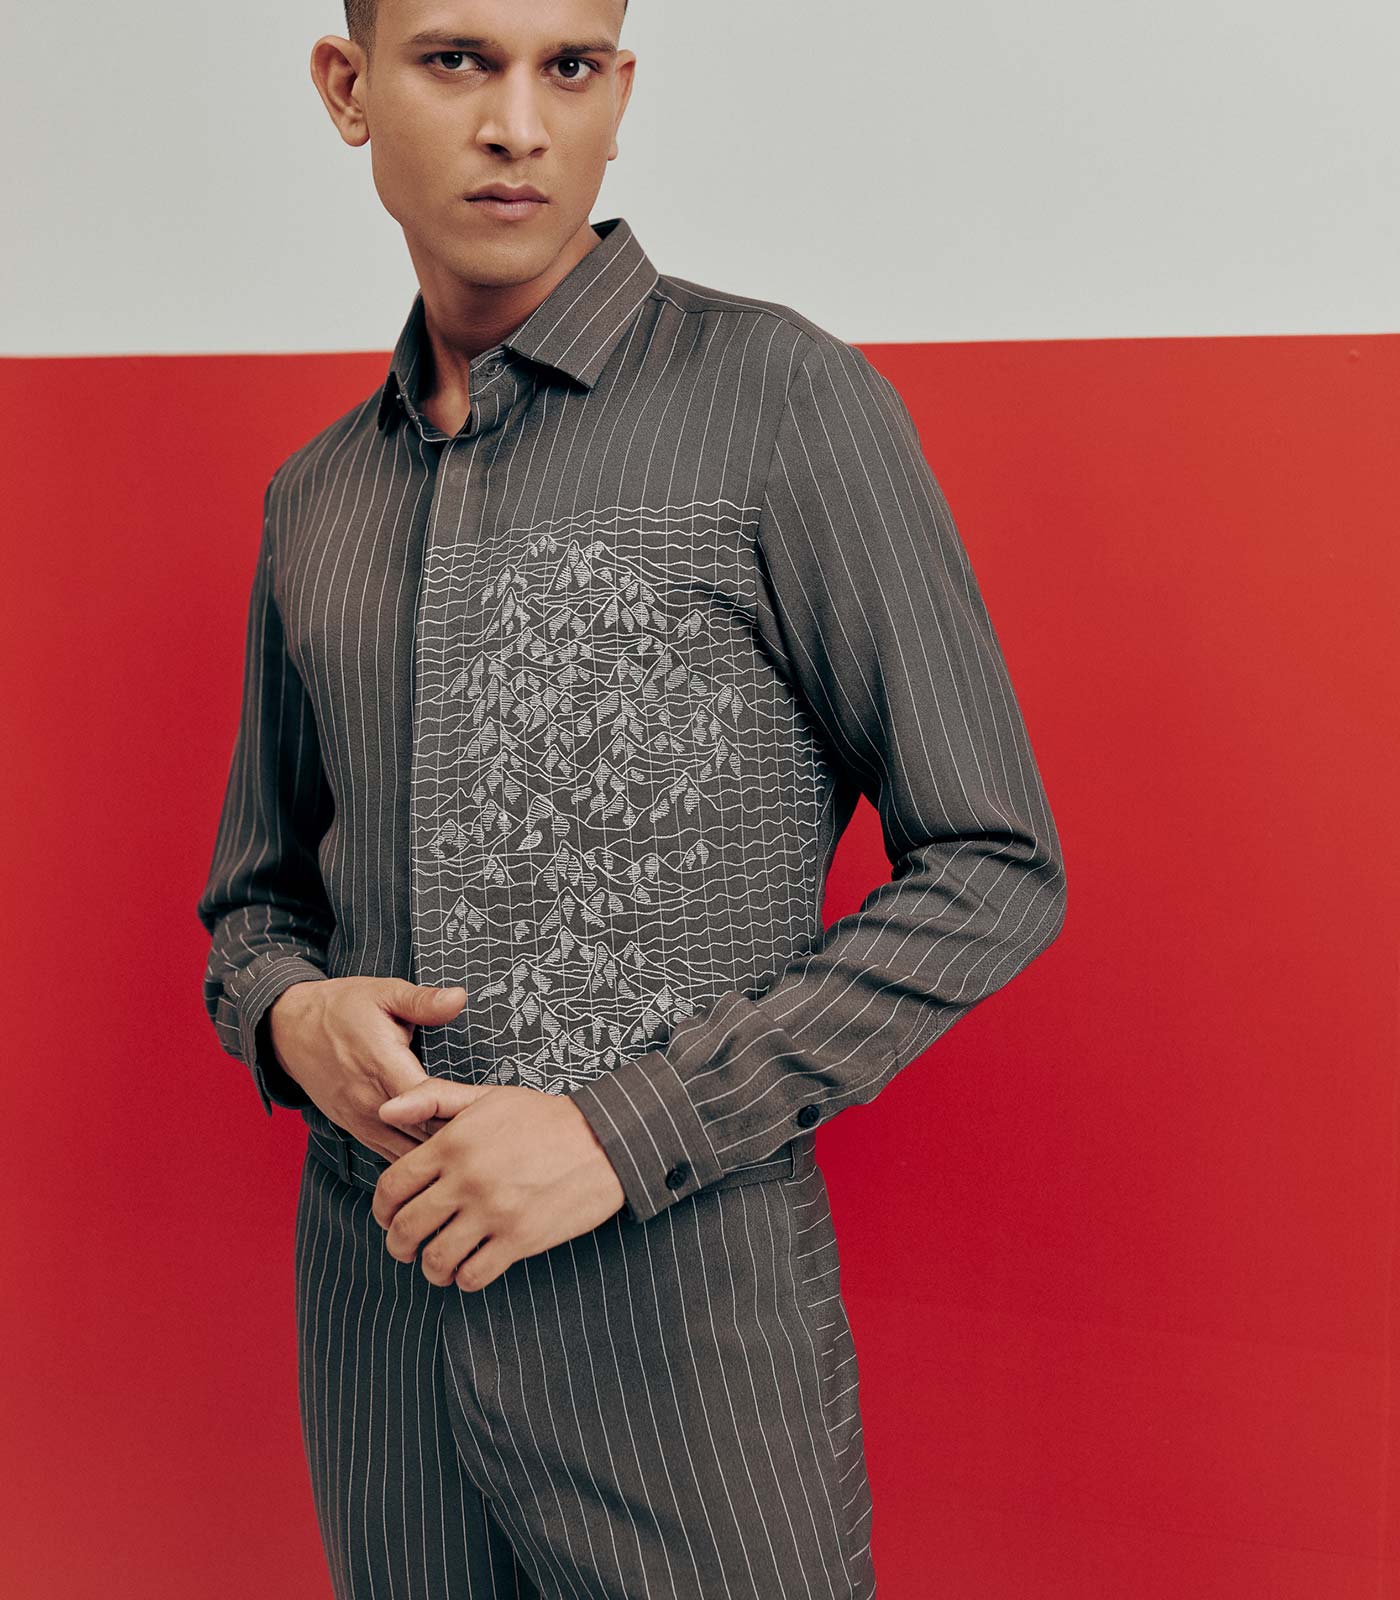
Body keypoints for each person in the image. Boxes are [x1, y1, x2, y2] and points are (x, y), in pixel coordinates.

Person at [195, 1, 1068, 1595]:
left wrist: (623, 1132)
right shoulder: (316, 497)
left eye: (569, 67)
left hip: (684, 1357)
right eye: (456, 60)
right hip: (382, 1343)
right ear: (347, 87)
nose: (518, 125)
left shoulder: (783, 399)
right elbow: (254, 905)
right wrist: (287, 1018)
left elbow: (995, 862)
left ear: (619, 91)